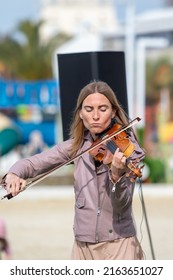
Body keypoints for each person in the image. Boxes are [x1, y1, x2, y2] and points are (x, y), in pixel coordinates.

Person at [1, 80, 145, 260]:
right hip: (82, 247)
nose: (95, 116)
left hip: (119, 245)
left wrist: (116, 175)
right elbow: (34, 163)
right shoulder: (76, 147)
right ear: (81, 114)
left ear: (114, 111)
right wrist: (15, 173)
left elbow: (122, 204)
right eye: (89, 109)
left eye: (103, 108)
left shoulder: (126, 148)